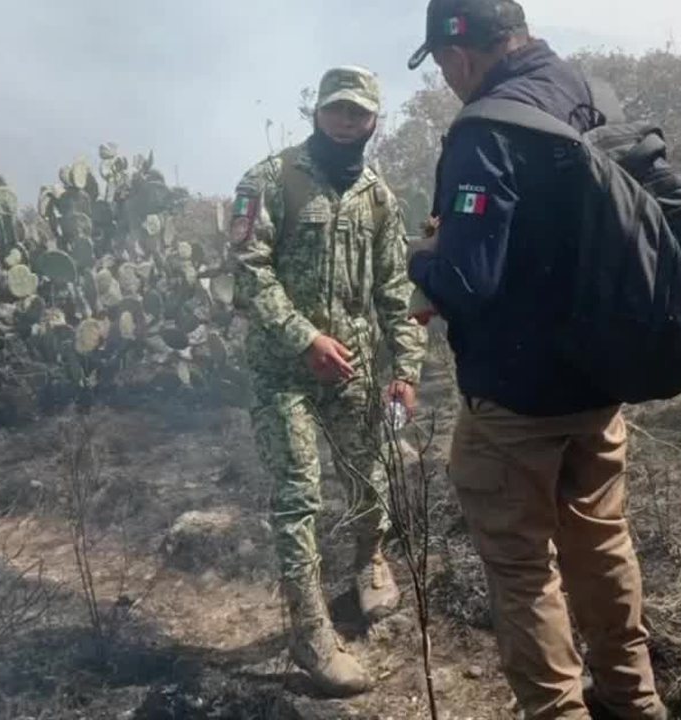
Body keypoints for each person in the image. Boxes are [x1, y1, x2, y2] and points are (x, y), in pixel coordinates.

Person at [404, 2, 670, 719]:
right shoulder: (587, 94)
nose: (448, 80)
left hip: (516, 399)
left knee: (523, 570)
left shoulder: (483, 129)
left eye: (441, 66)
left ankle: (557, 712)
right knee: (603, 542)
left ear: (458, 56)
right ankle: (633, 697)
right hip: (600, 381)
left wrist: (424, 256)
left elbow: (468, 283)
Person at [228, 65, 428, 697]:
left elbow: (396, 290)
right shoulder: (268, 179)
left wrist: (406, 369)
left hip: (355, 370)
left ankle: (371, 561)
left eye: (359, 112)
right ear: (316, 112)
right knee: (299, 498)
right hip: (283, 370)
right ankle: (310, 633)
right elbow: (248, 272)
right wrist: (305, 339)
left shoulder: (378, 195)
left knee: (368, 478)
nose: (347, 121)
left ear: (374, 120)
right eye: (337, 110)